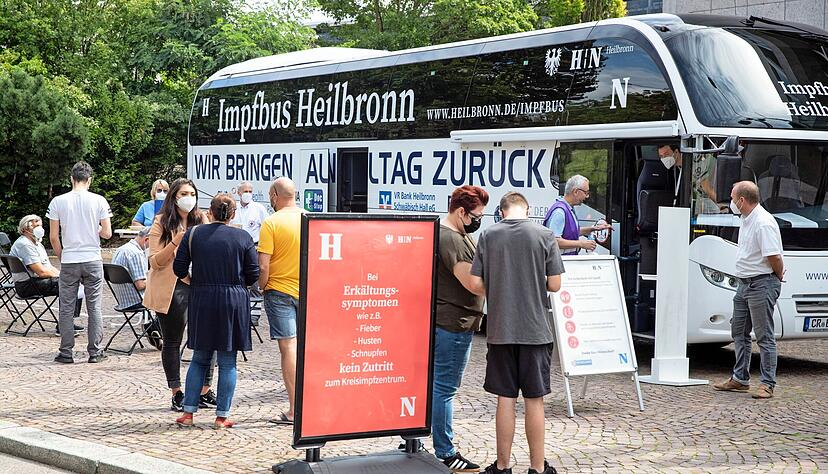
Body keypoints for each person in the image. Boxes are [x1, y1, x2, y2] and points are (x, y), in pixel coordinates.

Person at [470, 192, 564, 474]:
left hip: (501, 330)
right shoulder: (544, 235)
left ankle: (502, 466)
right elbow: (555, 284)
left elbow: (475, 284)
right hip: (535, 331)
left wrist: (500, 287)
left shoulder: (488, 235)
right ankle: (537, 468)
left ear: (502, 212)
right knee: (535, 400)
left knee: (505, 399)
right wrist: (532, 283)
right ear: (527, 210)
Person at [173, 194, 259, 429]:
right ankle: (222, 416)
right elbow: (253, 273)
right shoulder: (243, 237)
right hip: (233, 299)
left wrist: (193, 281)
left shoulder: (193, 234)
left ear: (209, 212)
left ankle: (188, 412)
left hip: (202, 297)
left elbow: (178, 267)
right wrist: (237, 284)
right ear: (233, 215)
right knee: (228, 361)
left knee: (199, 358)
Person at [143, 178, 216, 411]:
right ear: (174, 197)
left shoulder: (201, 219)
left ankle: (205, 390)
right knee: (172, 340)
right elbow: (155, 261)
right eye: (184, 194)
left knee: (208, 337)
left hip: (200, 284)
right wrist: (176, 241)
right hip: (172, 286)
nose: (189, 198)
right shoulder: (161, 222)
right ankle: (176, 392)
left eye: (192, 194)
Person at [432, 185, 488, 472]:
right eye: (476, 216)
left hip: (453, 321)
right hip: (454, 323)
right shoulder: (452, 238)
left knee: (437, 385)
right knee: (445, 388)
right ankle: (446, 451)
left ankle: (420, 439)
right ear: (461, 212)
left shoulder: (455, 233)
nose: (478, 221)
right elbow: (473, 284)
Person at [714, 181, 784, 400]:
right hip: (744, 283)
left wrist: (778, 275)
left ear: (742, 200)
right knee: (739, 331)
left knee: (764, 335)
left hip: (761, 283)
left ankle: (767, 383)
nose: (730, 201)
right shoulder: (747, 219)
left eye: (732, 197)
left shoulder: (763, 222)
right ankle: (740, 378)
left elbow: (774, 256)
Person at [48, 161, 112, 364]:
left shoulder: (58, 201)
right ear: (89, 180)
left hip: (70, 259)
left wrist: (62, 256)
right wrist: (95, 229)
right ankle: (95, 351)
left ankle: (66, 352)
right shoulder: (99, 200)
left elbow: (53, 237)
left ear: (71, 179)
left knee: (66, 307)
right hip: (92, 258)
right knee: (94, 307)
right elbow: (107, 233)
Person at [258, 177, 303, 425]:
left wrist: (262, 285)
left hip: (279, 291)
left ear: (274, 196)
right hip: (307, 291)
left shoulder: (271, 222)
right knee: (306, 349)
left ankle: (294, 410)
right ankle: (310, 407)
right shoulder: (309, 218)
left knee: (289, 348)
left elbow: (263, 265)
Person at [10, 215, 84, 334]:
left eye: (40, 225)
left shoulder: (37, 244)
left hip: (34, 282)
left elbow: (49, 267)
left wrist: (66, 276)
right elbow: (41, 272)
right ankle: (64, 326)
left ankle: (67, 321)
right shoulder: (24, 244)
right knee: (69, 285)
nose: (39, 229)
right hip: (26, 286)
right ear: (25, 229)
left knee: (74, 282)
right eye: (36, 226)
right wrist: (66, 279)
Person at [111, 227, 160, 349]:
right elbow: (140, 285)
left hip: (121, 299)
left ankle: (152, 326)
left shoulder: (121, 249)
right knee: (168, 297)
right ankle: (155, 328)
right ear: (146, 239)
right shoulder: (136, 253)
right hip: (136, 300)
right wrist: (157, 280)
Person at [542, 175, 609, 255]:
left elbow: (571, 232)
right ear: (575, 192)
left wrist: (593, 229)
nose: (587, 196)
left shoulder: (568, 208)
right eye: (586, 192)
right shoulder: (559, 212)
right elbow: (555, 241)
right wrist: (581, 244)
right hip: (561, 261)